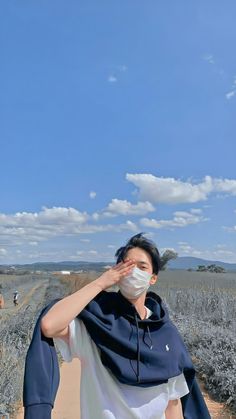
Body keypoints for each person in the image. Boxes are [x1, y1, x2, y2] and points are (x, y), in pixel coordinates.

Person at [40, 233, 210, 419]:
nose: (133, 272)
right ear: (117, 272)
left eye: (142, 267)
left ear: (153, 278)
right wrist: (100, 282)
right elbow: (49, 325)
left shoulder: (164, 332)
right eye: (127, 266)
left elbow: (172, 402)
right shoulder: (96, 324)